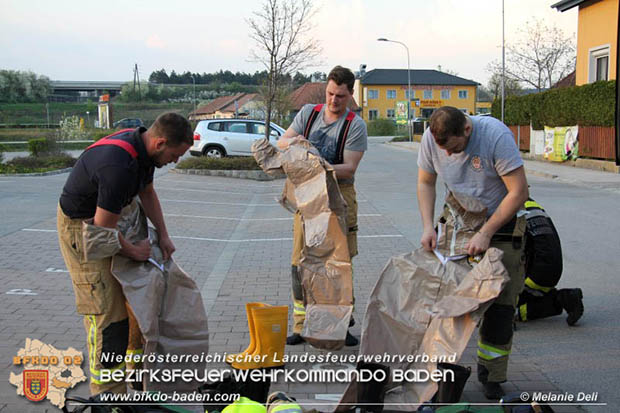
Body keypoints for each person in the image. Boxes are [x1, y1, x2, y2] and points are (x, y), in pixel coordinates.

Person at [57, 112, 193, 395]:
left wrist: (164, 235)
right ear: (160, 143)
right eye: (175, 155)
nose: (176, 161)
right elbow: (102, 231)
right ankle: (107, 395)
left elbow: (147, 193)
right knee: (107, 314)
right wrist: (135, 251)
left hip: (108, 221)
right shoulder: (118, 166)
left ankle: (134, 377)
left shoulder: (143, 152)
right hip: (82, 230)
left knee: (132, 301)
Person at [416, 106, 529, 400]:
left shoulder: (494, 136)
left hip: (501, 223)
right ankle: (437, 373)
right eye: (446, 152)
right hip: (458, 219)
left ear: (467, 130)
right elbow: (426, 181)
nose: (451, 157)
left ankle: (492, 374)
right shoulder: (431, 137)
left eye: (455, 149)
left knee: (499, 306)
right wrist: (428, 226)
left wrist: (486, 232)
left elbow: (519, 192)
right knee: (444, 298)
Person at [277, 65, 368, 346]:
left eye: (340, 96)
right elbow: (281, 143)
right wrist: (296, 144)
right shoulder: (308, 114)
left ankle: (341, 326)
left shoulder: (355, 126)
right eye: (330, 93)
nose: (333, 100)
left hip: (339, 199)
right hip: (307, 200)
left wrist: (314, 162)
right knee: (299, 263)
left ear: (350, 95)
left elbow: (349, 168)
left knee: (338, 265)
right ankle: (301, 324)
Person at [517, 198, 584, 325]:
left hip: (536, 274)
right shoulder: (532, 205)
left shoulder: (511, 208)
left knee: (502, 308)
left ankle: (558, 300)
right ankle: (565, 297)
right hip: (550, 268)